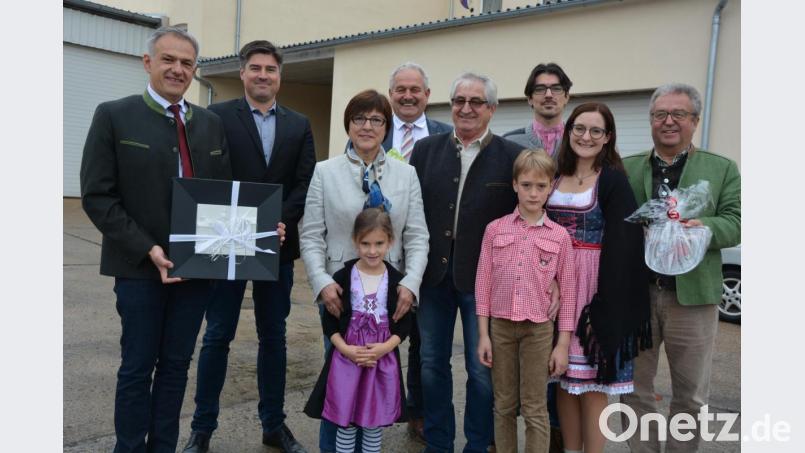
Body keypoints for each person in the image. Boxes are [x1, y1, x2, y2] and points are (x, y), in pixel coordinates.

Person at [79, 26, 233, 453]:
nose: (177, 69)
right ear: (148, 63)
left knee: (177, 367)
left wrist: (255, 230)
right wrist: (147, 248)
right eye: (168, 59)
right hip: (138, 268)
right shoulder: (114, 115)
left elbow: (223, 197)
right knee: (137, 367)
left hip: (197, 270)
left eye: (186, 63)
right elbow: (97, 196)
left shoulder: (210, 124)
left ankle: (163, 446)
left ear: (194, 70)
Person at [182, 40, 315, 453]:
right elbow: (204, 175)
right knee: (217, 334)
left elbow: (304, 181)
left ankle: (273, 424)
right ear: (242, 73)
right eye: (255, 68)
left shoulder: (299, 124)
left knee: (273, 336)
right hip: (225, 244)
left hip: (275, 244)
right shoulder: (215, 117)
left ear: (280, 76)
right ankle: (202, 429)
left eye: (270, 69)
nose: (262, 75)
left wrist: (281, 220)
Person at [300, 89, 429, 453]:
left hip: (389, 297)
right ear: (348, 124)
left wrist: (411, 285)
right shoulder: (325, 172)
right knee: (338, 384)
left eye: (376, 119)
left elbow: (418, 236)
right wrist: (322, 283)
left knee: (377, 383)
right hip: (342, 297)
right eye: (359, 118)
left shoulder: (406, 174)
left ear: (386, 127)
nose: (367, 126)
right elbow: (311, 236)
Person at [619, 83, 741, 452]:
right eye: (660, 114)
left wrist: (704, 227)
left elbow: (736, 221)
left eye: (679, 114)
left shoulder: (720, 169)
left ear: (695, 121)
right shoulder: (627, 167)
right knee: (634, 392)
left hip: (693, 296)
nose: (669, 121)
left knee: (690, 396)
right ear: (651, 120)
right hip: (637, 295)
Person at [408, 72, 524, 453]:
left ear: (491, 109)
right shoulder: (426, 150)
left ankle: (478, 444)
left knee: (481, 370)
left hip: (485, 282)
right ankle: (438, 443)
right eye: (459, 100)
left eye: (476, 102)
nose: (466, 108)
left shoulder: (511, 158)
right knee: (431, 364)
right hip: (433, 277)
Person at [545, 103, 652, 453]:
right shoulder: (554, 175)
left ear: (607, 138)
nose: (586, 137)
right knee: (563, 379)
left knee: (591, 384)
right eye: (579, 128)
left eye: (595, 131)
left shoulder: (613, 180)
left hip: (594, 285)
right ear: (569, 130)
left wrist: (607, 301)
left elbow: (625, 241)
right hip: (554, 282)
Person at [475, 149, 577, 453]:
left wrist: (562, 344)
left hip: (539, 330)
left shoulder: (559, 237)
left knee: (534, 406)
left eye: (541, 186)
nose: (534, 193)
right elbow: (483, 284)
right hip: (501, 328)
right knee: (504, 404)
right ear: (515, 185)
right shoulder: (495, 230)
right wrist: (483, 334)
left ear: (551, 188)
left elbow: (568, 294)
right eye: (527, 185)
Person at [304, 208, 414, 453]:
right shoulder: (343, 276)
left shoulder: (397, 281)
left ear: (390, 242)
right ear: (355, 241)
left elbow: (404, 324)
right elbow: (330, 322)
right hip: (347, 361)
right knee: (347, 422)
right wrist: (344, 349)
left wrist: (385, 348)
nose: (372, 251)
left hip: (380, 362)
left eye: (378, 243)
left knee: (373, 423)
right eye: (365, 243)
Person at [383, 61, 451, 442]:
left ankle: (418, 410)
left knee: (425, 343)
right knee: (379, 329)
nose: (408, 96)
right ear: (391, 93)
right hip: (378, 252)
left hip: (428, 253)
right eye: (400, 90)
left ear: (427, 95)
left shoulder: (445, 133)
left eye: (415, 90)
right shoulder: (372, 128)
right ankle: (375, 405)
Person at [504, 62, 572, 159]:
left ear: (566, 97)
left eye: (556, 89)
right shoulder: (509, 141)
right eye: (540, 89)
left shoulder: (580, 141)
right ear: (530, 99)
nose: (548, 95)